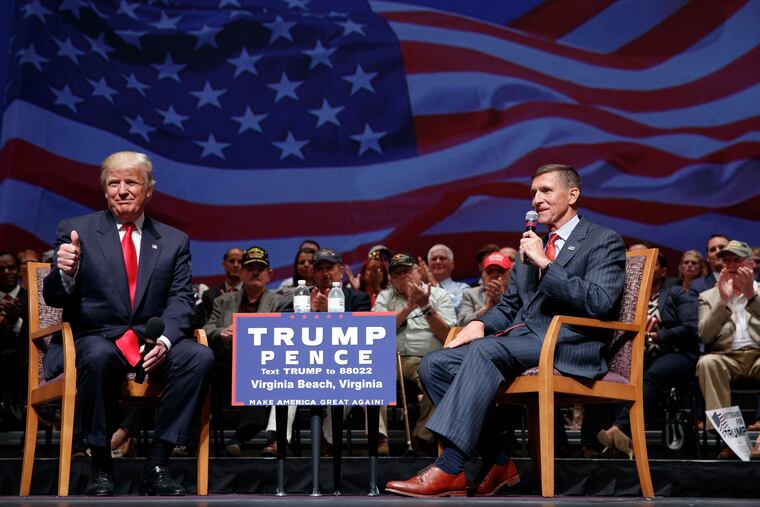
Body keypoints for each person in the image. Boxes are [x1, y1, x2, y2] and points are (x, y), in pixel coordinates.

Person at [385, 164, 626, 498]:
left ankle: (451, 468)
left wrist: (546, 264)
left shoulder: (602, 240)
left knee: (486, 351)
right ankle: (498, 459)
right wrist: (478, 324)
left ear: (573, 195)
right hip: (526, 341)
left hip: (571, 343)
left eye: (545, 191)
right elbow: (510, 306)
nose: (536, 200)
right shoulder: (533, 246)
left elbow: (599, 302)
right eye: (533, 193)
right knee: (435, 364)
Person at [42, 151, 214, 496]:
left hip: (150, 342)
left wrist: (164, 342)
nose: (122, 190)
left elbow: (181, 300)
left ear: (149, 189)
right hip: (97, 338)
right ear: (104, 190)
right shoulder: (76, 231)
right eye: (113, 183)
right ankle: (101, 465)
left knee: (200, 357)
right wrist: (65, 273)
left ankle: (157, 463)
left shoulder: (174, 240)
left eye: (131, 182)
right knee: (97, 356)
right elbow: (54, 297)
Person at [593, 252, 699, 458]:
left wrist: (656, 336)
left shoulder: (677, 293)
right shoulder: (629, 297)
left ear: (664, 271)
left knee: (650, 377)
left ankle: (620, 429)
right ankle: (596, 444)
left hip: (676, 354)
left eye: (653, 264)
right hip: (639, 356)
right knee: (603, 374)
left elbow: (690, 328)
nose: (643, 268)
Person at [203, 245, 292, 457]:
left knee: (262, 372)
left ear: (269, 274)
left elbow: (286, 332)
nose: (255, 272)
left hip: (262, 364)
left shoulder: (280, 303)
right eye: (250, 267)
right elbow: (208, 328)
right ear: (241, 273)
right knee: (204, 369)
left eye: (260, 268)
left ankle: (239, 438)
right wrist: (222, 333)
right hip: (226, 365)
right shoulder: (222, 301)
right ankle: (192, 442)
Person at [375, 253, 457, 455]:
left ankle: (422, 436)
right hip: (389, 358)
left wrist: (425, 307)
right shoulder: (385, 297)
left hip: (425, 358)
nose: (403, 277)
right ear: (391, 279)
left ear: (418, 271)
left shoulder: (439, 295)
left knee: (439, 377)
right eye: (397, 274)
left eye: (407, 271)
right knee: (371, 375)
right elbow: (376, 330)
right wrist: (408, 307)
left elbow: (448, 335)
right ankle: (380, 439)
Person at [307, 249, 385, 453]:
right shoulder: (303, 299)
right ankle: (278, 440)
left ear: (340, 271)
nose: (325, 273)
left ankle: (372, 438)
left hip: (349, 360)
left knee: (362, 375)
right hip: (310, 363)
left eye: (330, 268)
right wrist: (309, 312)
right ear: (313, 275)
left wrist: (332, 313)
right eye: (320, 269)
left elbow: (363, 333)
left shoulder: (358, 298)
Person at [696, 240, 760, 458]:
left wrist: (751, 295)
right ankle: (728, 438)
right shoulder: (708, 296)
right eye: (727, 260)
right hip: (726, 357)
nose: (731, 265)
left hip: (758, 355)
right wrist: (723, 302)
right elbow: (704, 336)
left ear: (750, 265)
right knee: (707, 362)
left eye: (738, 260)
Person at [0, 252, 29, 430]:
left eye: (11, 267)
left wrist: (16, 321)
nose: (7, 271)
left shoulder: (32, 298)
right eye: (1, 269)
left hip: (23, 361)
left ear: (18, 271)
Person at [458, 252, 512, 326]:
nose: (494, 275)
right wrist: (486, 309)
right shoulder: (470, 294)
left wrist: (502, 301)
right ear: (483, 275)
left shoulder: (517, 294)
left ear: (510, 274)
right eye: (490, 271)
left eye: (500, 270)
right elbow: (461, 323)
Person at [198, 247, 243, 325]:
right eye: (232, 261)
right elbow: (206, 327)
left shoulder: (252, 294)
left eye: (240, 262)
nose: (236, 265)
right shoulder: (209, 295)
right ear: (224, 265)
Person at [421, 244, 470, 312]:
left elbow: (458, 310)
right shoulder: (420, 289)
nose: (438, 262)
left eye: (442, 258)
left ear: (452, 265)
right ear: (428, 265)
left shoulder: (462, 288)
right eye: (434, 259)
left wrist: (435, 285)